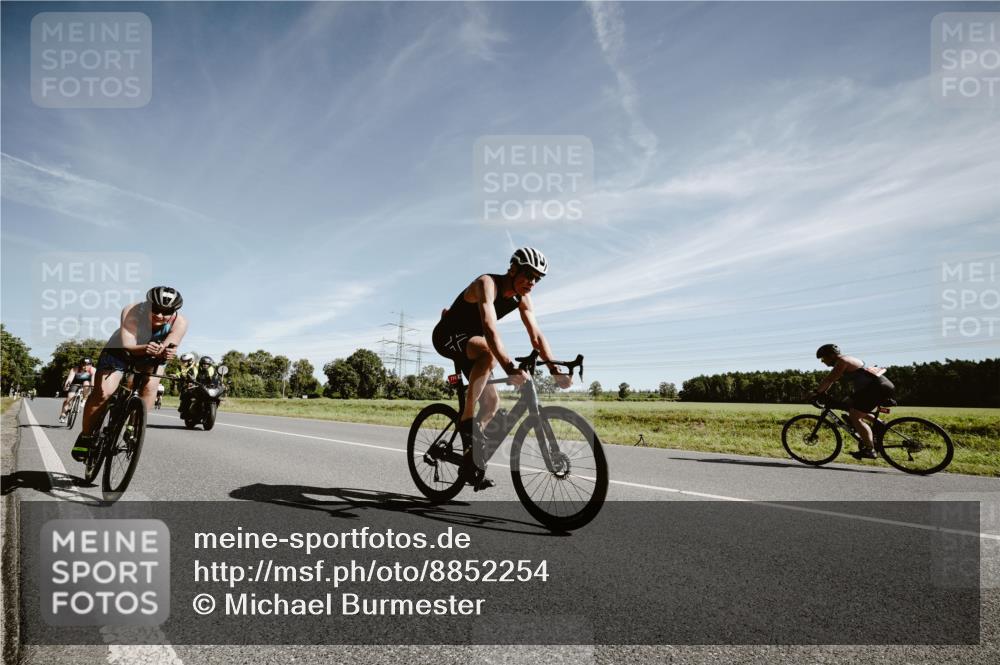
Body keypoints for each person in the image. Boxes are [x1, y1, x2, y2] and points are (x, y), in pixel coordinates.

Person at [432, 247, 572, 490]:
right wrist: (509, 367)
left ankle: (472, 453)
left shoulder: (523, 298)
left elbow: (536, 336)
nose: (532, 282)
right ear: (513, 269)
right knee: (489, 352)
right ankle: (466, 420)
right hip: (448, 335)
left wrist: (554, 368)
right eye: (528, 275)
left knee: (492, 403)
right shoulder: (487, 283)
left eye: (537, 279)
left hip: (473, 343)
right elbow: (489, 327)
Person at [71, 286, 188, 461]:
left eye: (167, 312)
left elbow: (171, 344)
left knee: (150, 385)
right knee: (103, 393)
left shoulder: (180, 322)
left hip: (152, 354)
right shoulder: (132, 311)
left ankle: (134, 427)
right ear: (147, 304)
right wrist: (146, 348)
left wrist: (167, 352)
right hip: (121, 351)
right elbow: (128, 344)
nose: (160, 315)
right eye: (155, 309)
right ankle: (86, 436)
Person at [812, 344, 895, 459]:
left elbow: (829, 379)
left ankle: (870, 450)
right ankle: (879, 424)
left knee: (855, 416)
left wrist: (815, 393)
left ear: (831, 355)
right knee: (848, 405)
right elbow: (831, 381)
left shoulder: (842, 361)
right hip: (878, 386)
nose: (822, 361)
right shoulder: (847, 359)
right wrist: (821, 392)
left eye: (823, 358)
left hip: (875, 388)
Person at [58, 358, 95, 423]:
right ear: (80, 365)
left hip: (86, 384)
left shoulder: (93, 370)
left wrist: (93, 388)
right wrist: (67, 386)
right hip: (75, 383)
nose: (86, 366)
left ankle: (84, 399)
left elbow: (93, 381)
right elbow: (70, 379)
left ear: (91, 365)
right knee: (69, 398)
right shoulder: (75, 369)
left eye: (88, 365)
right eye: (84, 364)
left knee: (86, 383)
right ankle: (63, 414)